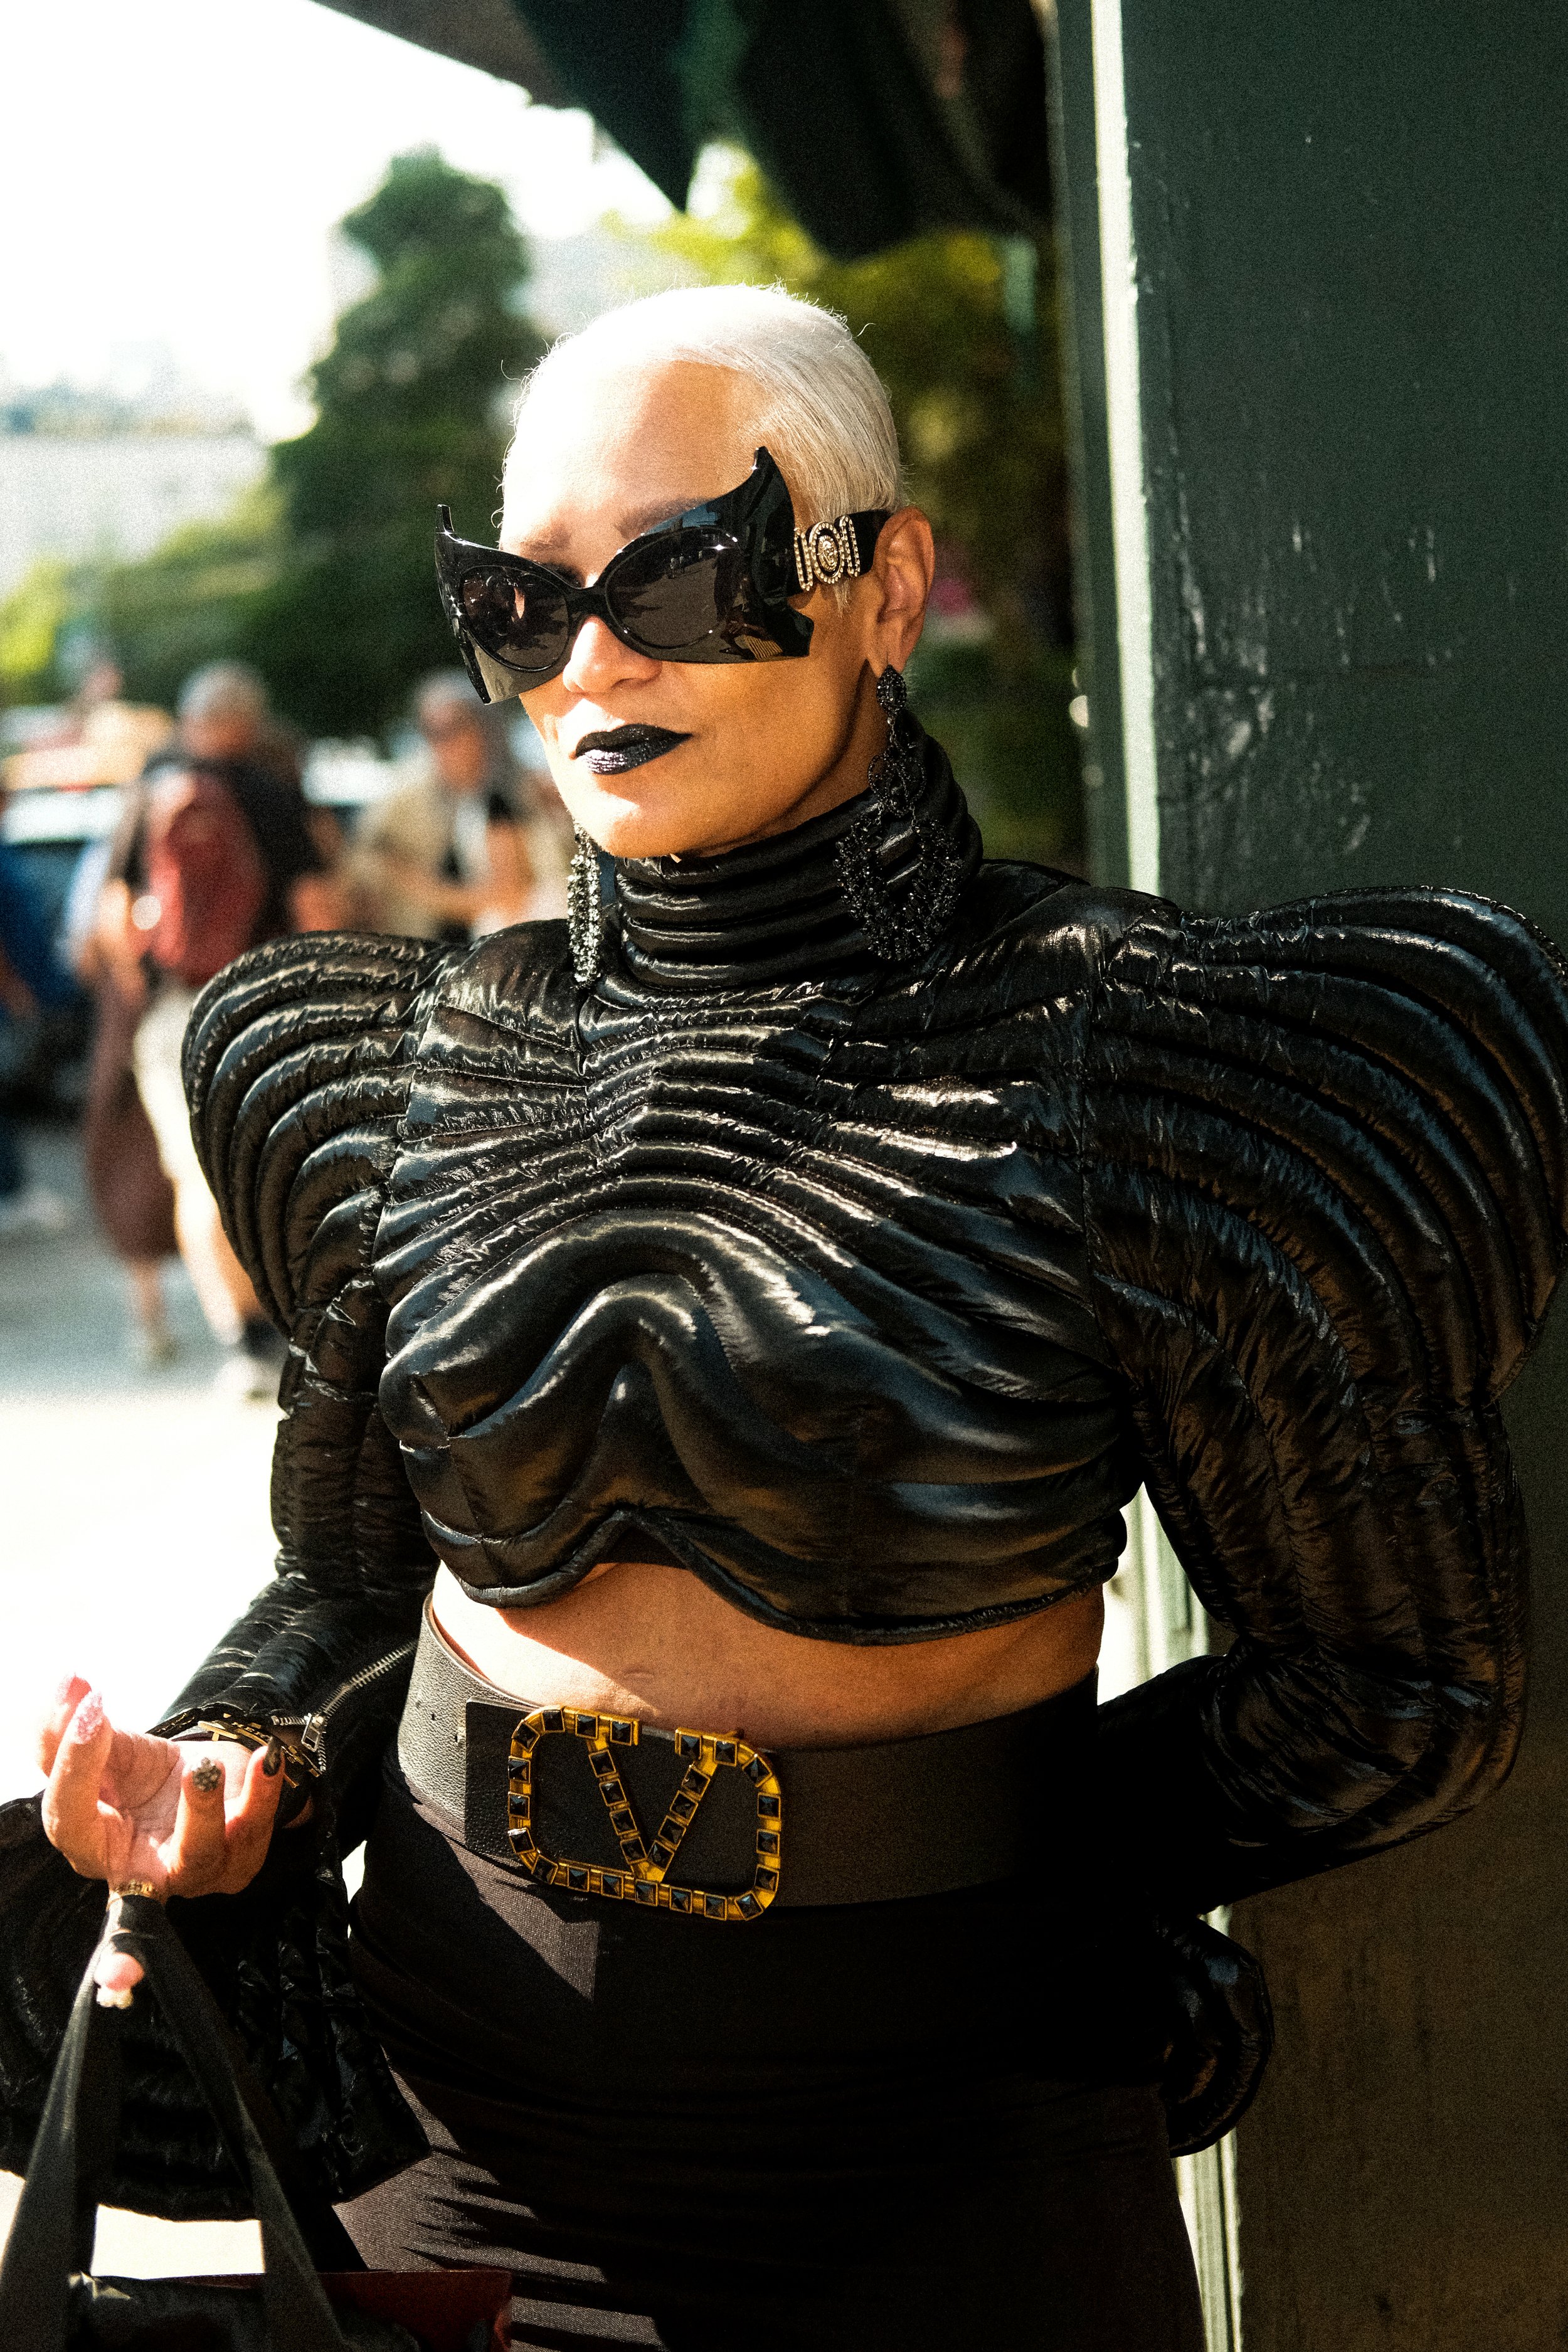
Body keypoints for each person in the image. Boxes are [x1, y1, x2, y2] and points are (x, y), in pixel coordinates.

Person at [20, 287, 1568, 2348]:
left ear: (888, 584)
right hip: (447, 2121)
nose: (595, 656)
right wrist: (232, 1761)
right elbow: (341, 1586)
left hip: (944, 2152)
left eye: (683, 569)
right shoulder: (388, 1062)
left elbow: (1399, 1684)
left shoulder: (1148, 1062)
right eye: (526, 594)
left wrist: (988, 1854)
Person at [96, 667, 339, 1396]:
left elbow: (114, 915)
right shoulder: (272, 794)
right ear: (249, 723)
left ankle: (243, 1343)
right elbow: (316, 907)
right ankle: (308, 1322)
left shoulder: (149, 796)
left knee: (197, 1175)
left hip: (178, 1011)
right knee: (285, 1160)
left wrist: (148, 990)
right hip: (265, 1001)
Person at [350, 671, 567, 941]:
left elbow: (509, 897)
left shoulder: (501, 794)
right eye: (432, 732)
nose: (443, 744)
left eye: (454, 728)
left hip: (527, 948)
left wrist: (412, 885)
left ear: (484, 728)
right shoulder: (442, 794)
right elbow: (365, 849)